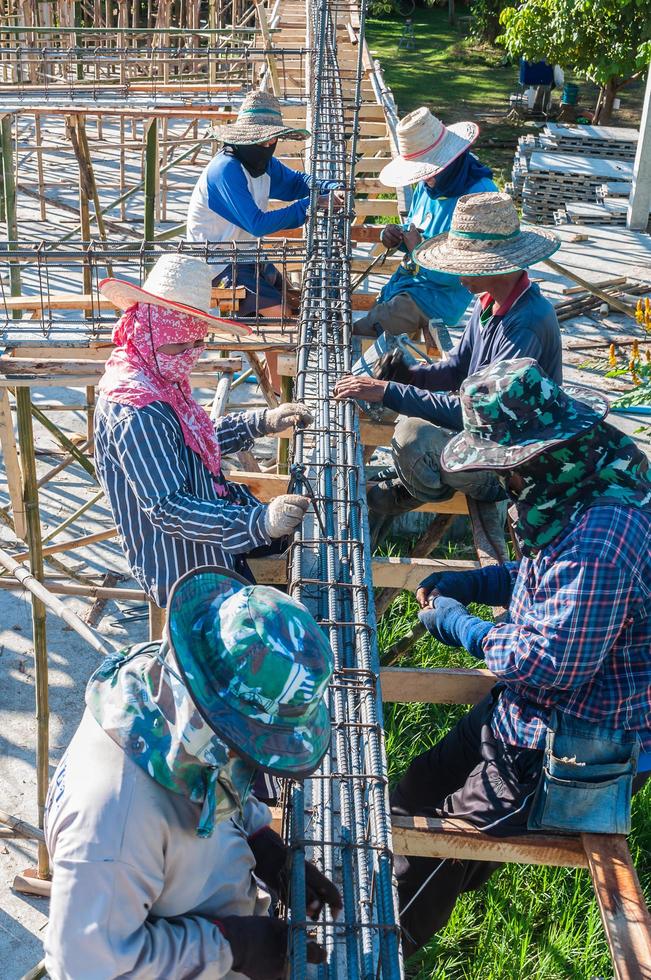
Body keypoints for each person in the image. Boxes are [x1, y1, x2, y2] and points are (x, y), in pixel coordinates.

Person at [391, 357, 651, 960]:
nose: (502, 482)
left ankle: (385, 949)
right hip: (525, 709)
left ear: (531, 456)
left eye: (502, 467)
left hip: (575, 741)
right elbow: (545, 576)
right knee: (417, 787)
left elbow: (547, 662)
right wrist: (483, 585)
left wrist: (460, 627)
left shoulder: (604, 537)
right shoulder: (577, 484)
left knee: (435, 850)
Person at [44, 565, 342, 979]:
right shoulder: (113, 825)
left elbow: (214, 774)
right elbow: (85, 966)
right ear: (214, 717)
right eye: (251, 742)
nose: (248, 759)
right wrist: (229, 947)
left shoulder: (174, 697)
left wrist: (260, 842)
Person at [334, 192, 562, 538]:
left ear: (495, 265)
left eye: (465, 269)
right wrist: (408, 375)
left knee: (413, 435)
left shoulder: (525, 324)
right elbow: (457, 369)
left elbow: (479, 413)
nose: (459, 279)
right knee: (410, 415)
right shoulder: (491, 303)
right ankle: (407, 485)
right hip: (485, 434)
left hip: (509, 460)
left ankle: (418, 490)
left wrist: (390, 391)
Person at [96, 253, 313, 610]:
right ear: (147, 331)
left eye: (196, 344)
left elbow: (190, 441)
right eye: (179, 345)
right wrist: (260, 521)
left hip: (214, 531)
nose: (189, 354)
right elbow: (168, 508)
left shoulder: (160, 376)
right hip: (186, 565)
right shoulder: (136, 409)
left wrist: (259, 422)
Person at [187, 90, 344, 318]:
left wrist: (331, 187)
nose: (270, 143)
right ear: (246, 137)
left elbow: (297, 183)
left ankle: (275, 348)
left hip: (246, 254)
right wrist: (312, 205)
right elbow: (257, 224)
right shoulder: (226, 170)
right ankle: (278, 346)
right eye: (264, 138)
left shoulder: (262, 163)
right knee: (281, 314)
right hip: (216, 265)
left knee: (295, 298)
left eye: (273, 138)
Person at [353, 107, 497, 339]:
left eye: (429, 171)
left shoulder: (479, 196)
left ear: (451, 160)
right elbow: (416, 226)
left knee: (360, 335)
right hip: (408, 285)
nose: (425, 179)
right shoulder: (430, 185)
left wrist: (417, 249)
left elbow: (466, 274)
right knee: (375, 325)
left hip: (439, 298)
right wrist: (396, 237)